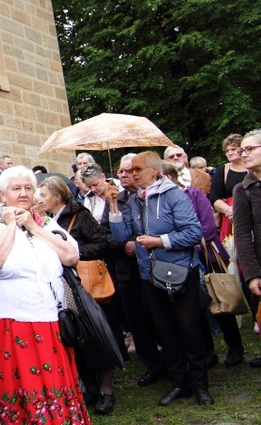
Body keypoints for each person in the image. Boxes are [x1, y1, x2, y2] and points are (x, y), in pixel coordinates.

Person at [0, 166, 88, 424]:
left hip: (50, 321)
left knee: (53, 386)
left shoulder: (47, 224)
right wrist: (12, 224)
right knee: (18, 389)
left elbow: (71, 256)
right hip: (10, 325)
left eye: (28, 188)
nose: (24, 194)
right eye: (16, 189)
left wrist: (34, 227)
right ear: (4, 195)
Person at [107, 151, 212, 406]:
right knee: (165, 330)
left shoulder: (174, 195)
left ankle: (201, 385)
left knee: (189, 328)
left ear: (155, 170)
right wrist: (112, 204)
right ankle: (180, 382)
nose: (131, 175)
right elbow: (122, 236)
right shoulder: (133, 201)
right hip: (149, 275)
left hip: (180, 271)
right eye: (128, 171)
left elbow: (193, 232)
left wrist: (160, 241)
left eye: (136, 170)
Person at [38, 174, 122, 415]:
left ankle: (106, 390)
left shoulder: (79, 215)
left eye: (43, 195)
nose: (40, 199)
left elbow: (103, 243)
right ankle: (91, 389)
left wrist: (73, 253)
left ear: (57, 195)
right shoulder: (44, 219)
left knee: (97, 337)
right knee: (78, 338)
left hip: (87, 287)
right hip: (65, 288)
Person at [162, 161, 244, 367]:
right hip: (183, 264)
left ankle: (235, 347)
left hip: (208, 256)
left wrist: (183, 244)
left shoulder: (195, 195)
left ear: (170, 177)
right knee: (196, 308)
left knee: (221, 301)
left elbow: (207, 227)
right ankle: (207, 352)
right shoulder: (159, 203)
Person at [110, 154, 166, 387]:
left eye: (130, 170)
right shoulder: (116, 199)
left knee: (162, 317)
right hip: (127, 269)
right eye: (120, 172)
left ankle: (174, 359)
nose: (125, 175)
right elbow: (106, 233)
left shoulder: (158, 196)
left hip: (157, 266)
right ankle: (152, 364)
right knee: (137, 319)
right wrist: (125, 244)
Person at [233, 129, 261, 367]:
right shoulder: (243, 189)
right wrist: (252, 274)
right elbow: (241, 234)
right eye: (242, 150)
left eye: (250, 148)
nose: (244, 154)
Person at [210, 134, 246, 242]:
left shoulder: (253, 168)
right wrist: (229, 210)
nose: (230, 153)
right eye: (227, 151)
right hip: (230, 217)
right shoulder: (223, 170)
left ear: (242, 149)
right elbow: (214, 197)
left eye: (233, 149)